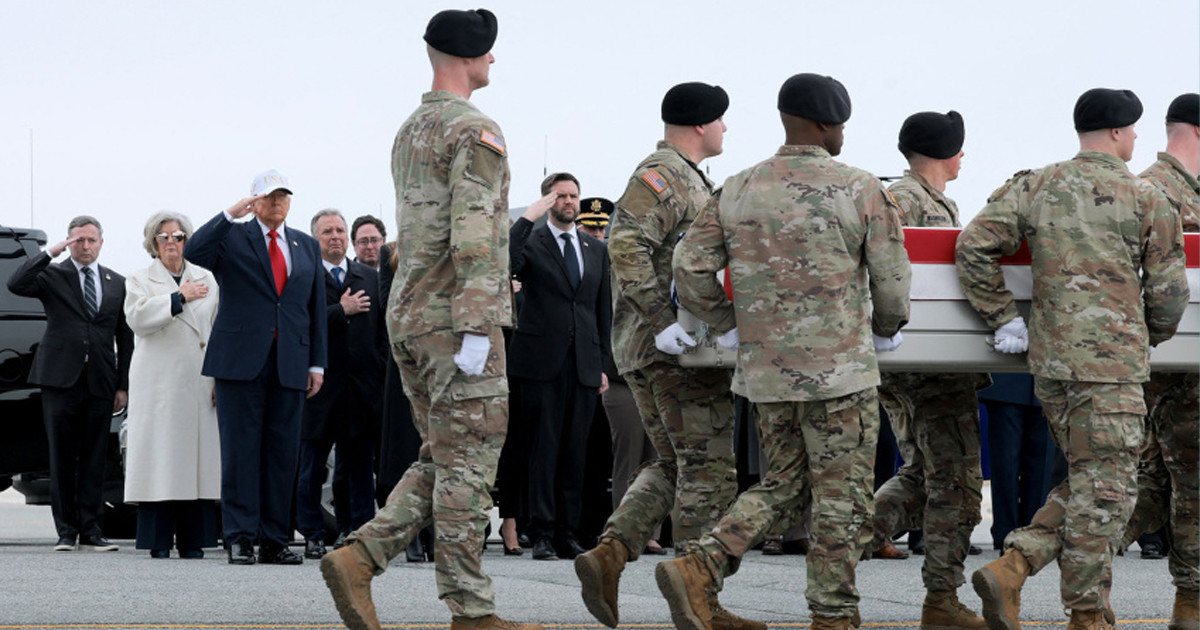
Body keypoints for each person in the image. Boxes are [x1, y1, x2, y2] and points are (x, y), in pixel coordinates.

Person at [656, 72, 911, 630]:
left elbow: (689, 266)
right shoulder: (859, 187)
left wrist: (728, 322)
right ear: (824, 124)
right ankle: (833, 616)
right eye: (840, 125)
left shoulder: (739, 186)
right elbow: (892, 279)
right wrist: (887, 327)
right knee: (842, 498)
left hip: (766, 374)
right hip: (840, 375)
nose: (842, 134)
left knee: (785, 484)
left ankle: (701, 565)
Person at [318, 10, 542, 630]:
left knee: (445, 455)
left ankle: (360, 558)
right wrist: (476, 322)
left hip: (412, 313)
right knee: (469, 464)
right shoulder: (476, 128)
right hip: (455, 319)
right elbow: (474, 230)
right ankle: (471, 610)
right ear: (469, 56)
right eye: (488, 50)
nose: (492, 60)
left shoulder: (411, 128)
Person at [959, 88, 1189, 630]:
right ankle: (1085, 615)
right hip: (1112, 370)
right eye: (1133, 130)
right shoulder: (1145, 197)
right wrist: (1147, 336)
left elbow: (973, 246)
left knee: (1089, 480)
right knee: (1104, 493)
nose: (1136, 138)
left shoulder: (1035, 184)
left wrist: (1004, 318)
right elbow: (1169, 294)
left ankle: (1015, 569)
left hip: (1052, 366)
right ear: (1118, 132)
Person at [574, 81, 745, 630]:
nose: (725, 128)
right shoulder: (665, 174)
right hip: (670, 349)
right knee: (707, 468)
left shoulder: (686, 176)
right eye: (720, 119)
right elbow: (625, 245)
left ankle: (610, 555)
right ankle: (699, 595)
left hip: (659, 347)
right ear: (700, 124)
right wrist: (661, 321)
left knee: (673, 463)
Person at [868, 110, 990, 629]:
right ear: (944, 152)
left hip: (928, 366)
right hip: (926, 372)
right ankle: (941, 599)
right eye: (959, 147)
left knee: (924, 476)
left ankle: (847, 538)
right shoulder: (904, 201)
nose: (964, 156)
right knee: (956, 482)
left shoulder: (935, 201)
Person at [183, 169, 327, 566]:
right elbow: (194, 250)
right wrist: (230, 214)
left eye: (283, 196)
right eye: (269, 196)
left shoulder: (305, 245)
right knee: (240, 452)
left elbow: (314, 308)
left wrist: (317, 363)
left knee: (283, 455)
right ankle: (241, 537)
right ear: (254, 202)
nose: (277, 202)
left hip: (290, 362)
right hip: (240, 362)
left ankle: (275, 539)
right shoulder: (232, 238)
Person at [1119, 92, 1199, 628]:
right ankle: (1190, 601)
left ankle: (1024, 560)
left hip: (1153, 361)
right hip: (1174, 364)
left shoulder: (1143, 186)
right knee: (1188, 482)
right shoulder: (1157, 192)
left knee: (1149, 482)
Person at [7, 215, 134, 552]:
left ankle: (92, 531)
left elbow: (125, 337)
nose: (85, 246)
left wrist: (123, 385)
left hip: (100, 381)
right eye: (79, 240)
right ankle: (66, 532)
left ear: (101, 243)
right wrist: (51, 252)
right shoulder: (53, 275)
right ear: (69, 242)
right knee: (61, 457)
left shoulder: (117, 282)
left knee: (94, 458)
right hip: (59, 380)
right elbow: (16, 283)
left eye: (91, 240)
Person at [508, 172, 612, 560]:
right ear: (547, 201)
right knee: (543, 449)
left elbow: (601, 310)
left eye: (573, 195)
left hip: (582, 363)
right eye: (560, 196)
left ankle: (568, 531)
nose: (568, 202)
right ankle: (542, 531)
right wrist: (527, 218)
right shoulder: (532, 242)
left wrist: (602, 364)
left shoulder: (594, 248)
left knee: (575, 452)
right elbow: (506, 259)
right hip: (541, 364)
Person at [122, 212, 221, 559]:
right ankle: (158, 540)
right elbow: (137, 318)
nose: (171, 243)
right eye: (163, 237)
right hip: (159, 382)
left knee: (197, 462)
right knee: (161, 460)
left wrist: (218, 377)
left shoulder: (206, 277)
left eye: (178, 236)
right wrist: (178, 298)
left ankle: (195, 540)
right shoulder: (139, 279)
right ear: (153, 242)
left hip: (198, 378)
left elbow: (216, 328)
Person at [296, 209, 387, 559]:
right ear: (314, 239)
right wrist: (340, 310)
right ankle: (312, 534)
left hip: (362, 387)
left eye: (339, 230)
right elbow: (299, 323)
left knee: (360, 468)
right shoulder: (304, 277)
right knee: (311, 467)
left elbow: (382, 331)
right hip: (319, 387)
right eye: (326, 232)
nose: (334, 236)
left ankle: (359, 531)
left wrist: (378, 370)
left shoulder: (370, 277)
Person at [978, 374, 1059, 551]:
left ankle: (1032, 530)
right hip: (1007, 380)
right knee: (1005, 464)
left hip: (1048, 381)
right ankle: (1005, 531)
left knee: (1042, 465)